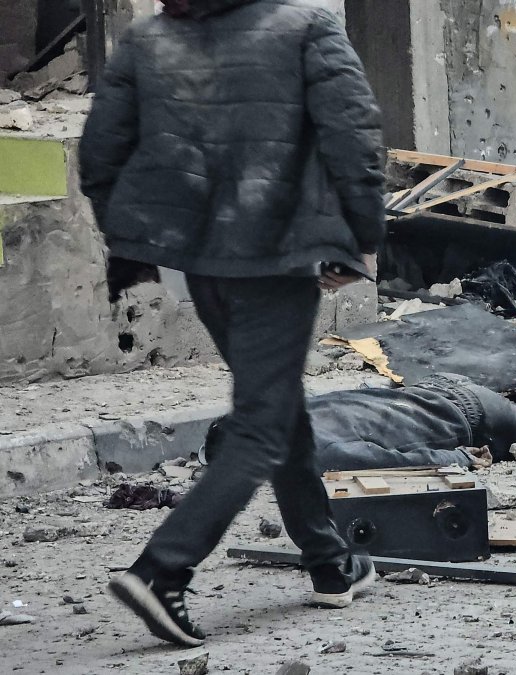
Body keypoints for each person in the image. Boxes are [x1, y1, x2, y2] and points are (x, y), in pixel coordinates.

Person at [79, 0, 384, 647]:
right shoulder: (308, 25)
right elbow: (353, 134)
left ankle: (329, 563)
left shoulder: (147, 38)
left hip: (199, 260)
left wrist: (144, 232)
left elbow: (100, 153)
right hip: (276, 258)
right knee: (261, 423)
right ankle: (163, 569)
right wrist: (357, 239)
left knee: (274, 407)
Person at [201, 374, 516, 472]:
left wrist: (457, 458)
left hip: (466, 420)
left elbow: (389, 460)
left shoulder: (311, 452)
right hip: (447, 391)